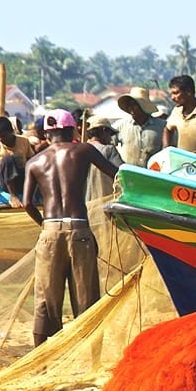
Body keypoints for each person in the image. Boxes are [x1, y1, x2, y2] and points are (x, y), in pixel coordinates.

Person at [22, 109, 119, 347]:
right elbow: (116, 173)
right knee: (86, 298)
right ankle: (88, 356)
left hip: (50, 231)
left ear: (47, 133)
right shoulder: (84, 150)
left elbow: (27, 203)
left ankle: (40, 359)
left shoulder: (35, 161)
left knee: (46, 299)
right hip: (79, 230)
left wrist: (45, 226)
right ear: (72, 129)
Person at [114, 87, 167, 167]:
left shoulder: (162, 126)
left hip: (152, 175)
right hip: (128, 174)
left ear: (144, 106)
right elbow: (107, 145)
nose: (130, 108)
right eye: (129, 105)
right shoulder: (120, 126)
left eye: (134, 105)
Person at [84, 115, 123, 202]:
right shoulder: (108, 150)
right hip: (102, 204)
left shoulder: (78, 151)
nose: (110, 138)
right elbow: (122, 175)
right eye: (110, 134)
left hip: (83, 206)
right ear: (104, 131)